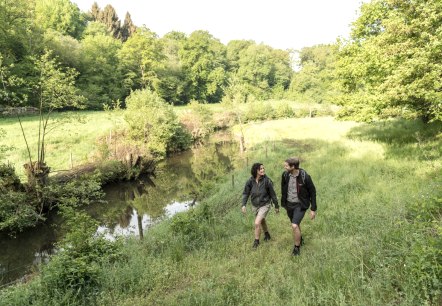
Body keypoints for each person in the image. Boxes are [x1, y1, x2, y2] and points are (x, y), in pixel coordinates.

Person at [281, 157, 317, 256]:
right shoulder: (285, 175)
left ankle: (297, 248)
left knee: (294, 225)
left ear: (293, 166)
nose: (284, 167)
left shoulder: (305, 176)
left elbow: (313, 192)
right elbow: (283, 189)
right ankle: (300, 239)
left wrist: (313, 209)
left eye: (286, 166)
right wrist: (284, 203)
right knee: (296, 223)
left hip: (300, 205)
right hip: (289, 204)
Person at [242, 162, 279, 249]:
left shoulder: (267, 181)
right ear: (256, 171)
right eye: (261, 169)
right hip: (255, 205)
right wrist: (243, 205)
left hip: (265, 204)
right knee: (262, 220)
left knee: (257, 222)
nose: (263, 170)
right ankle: (267, 234)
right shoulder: (250, 181)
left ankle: (256, 241)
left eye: (263, 168)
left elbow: (273, 194)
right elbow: (245, 193)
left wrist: (276, 206)